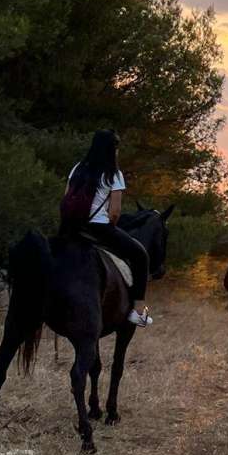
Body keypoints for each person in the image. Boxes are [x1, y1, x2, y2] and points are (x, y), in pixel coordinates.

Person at [63, 130, 152, 327]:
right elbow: (114, 212)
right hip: (98, 228)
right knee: (140, 255)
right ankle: (138, 309)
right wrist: (111, 227)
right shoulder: (114, 174)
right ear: (112, 150)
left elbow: (66, 197)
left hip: (71, 228)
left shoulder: (77, 168)